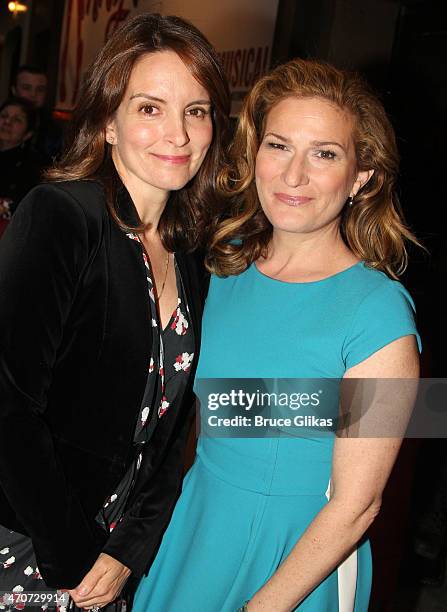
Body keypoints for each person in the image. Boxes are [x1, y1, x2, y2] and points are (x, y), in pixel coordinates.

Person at [133, 59, 421, 611]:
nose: (294, 176)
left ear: (362, 177)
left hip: (297, 564)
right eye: (279, 146)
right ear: (254, 156)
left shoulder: (383, 316)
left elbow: (358, 506)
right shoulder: (223, 266)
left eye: (325, 154)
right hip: (195, 526)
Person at [0, 13, 229, 611]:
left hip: (112, 559)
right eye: (150, 108)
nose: (178, 134)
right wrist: (77, 558)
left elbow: (174, 425)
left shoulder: (191, 252)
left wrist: (130, 547)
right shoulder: (61, 216)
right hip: (28, 543)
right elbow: (8, 408)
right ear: (107, 121)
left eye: (196, 110)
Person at [0, 96, 42, 224]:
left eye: (17, 120)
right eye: (3, 116)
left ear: (28, 134)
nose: (7, 122)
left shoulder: (32, 165)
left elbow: (26, 206)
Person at [11, 65, 63, 160]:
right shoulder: (3, 121)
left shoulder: (53, 130)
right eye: (26, 88)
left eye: (40, 90)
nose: (33, 94)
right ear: (14, 90)